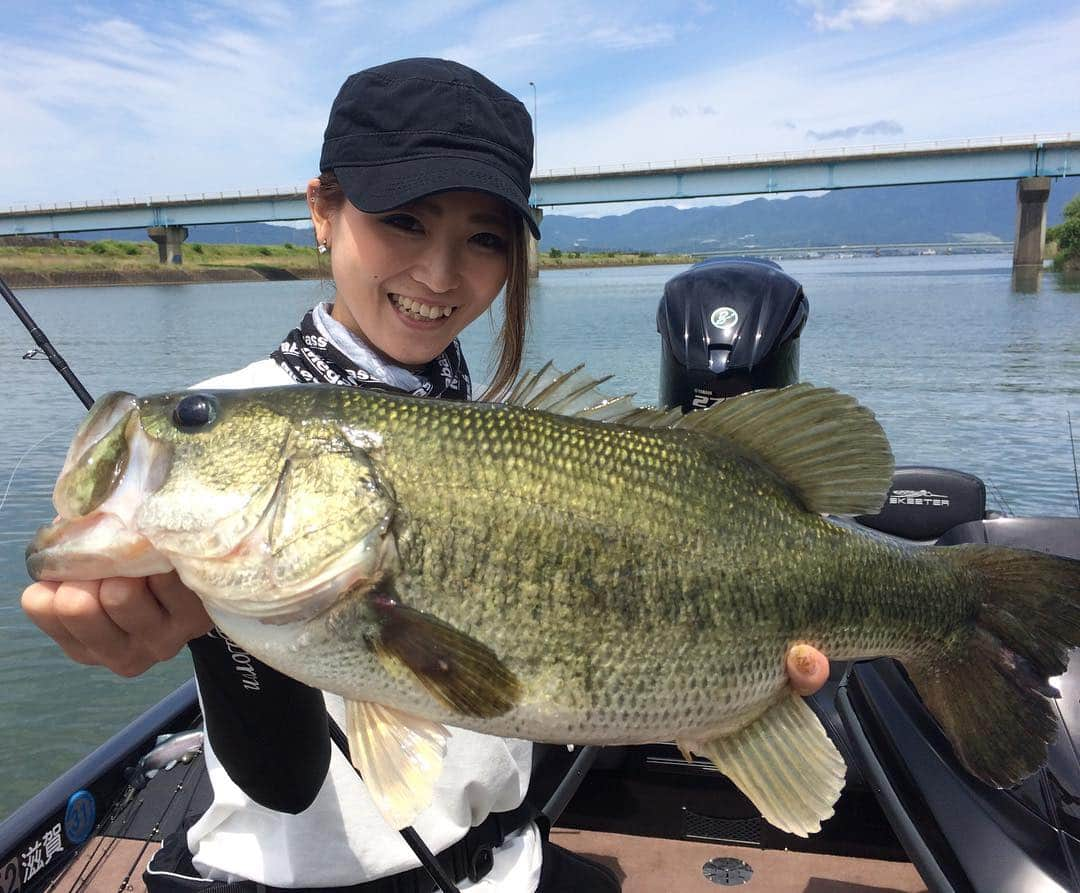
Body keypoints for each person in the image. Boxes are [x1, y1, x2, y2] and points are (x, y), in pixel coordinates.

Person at [21, 58, 830, 892]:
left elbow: (541, 685)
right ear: (322, 210)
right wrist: (184, 622)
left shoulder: (497, 427)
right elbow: (280, 774)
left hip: (510, 865)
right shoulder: (228, 416)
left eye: (484, 238)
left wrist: (706, 696)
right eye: (404, 220)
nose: (441, 275)